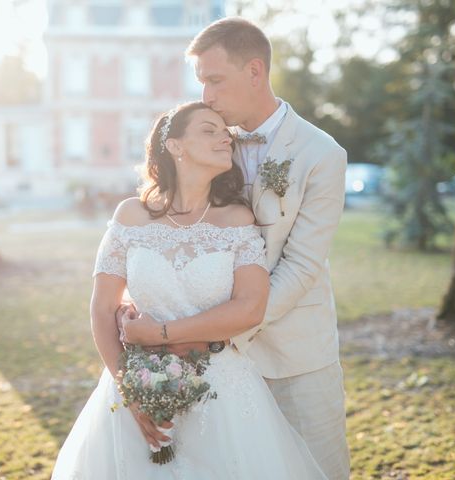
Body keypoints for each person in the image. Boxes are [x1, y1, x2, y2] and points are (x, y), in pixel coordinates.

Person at [51, 101, 326, 479]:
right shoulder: (130, 216)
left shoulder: (237, 219)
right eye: (208, 130)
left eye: (224, 133)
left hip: (221, 391)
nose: (224, 139)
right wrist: (131, 392)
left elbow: (250, 308)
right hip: (137, 384)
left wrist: (159, 334)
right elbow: (101, 310)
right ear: (176, 146)